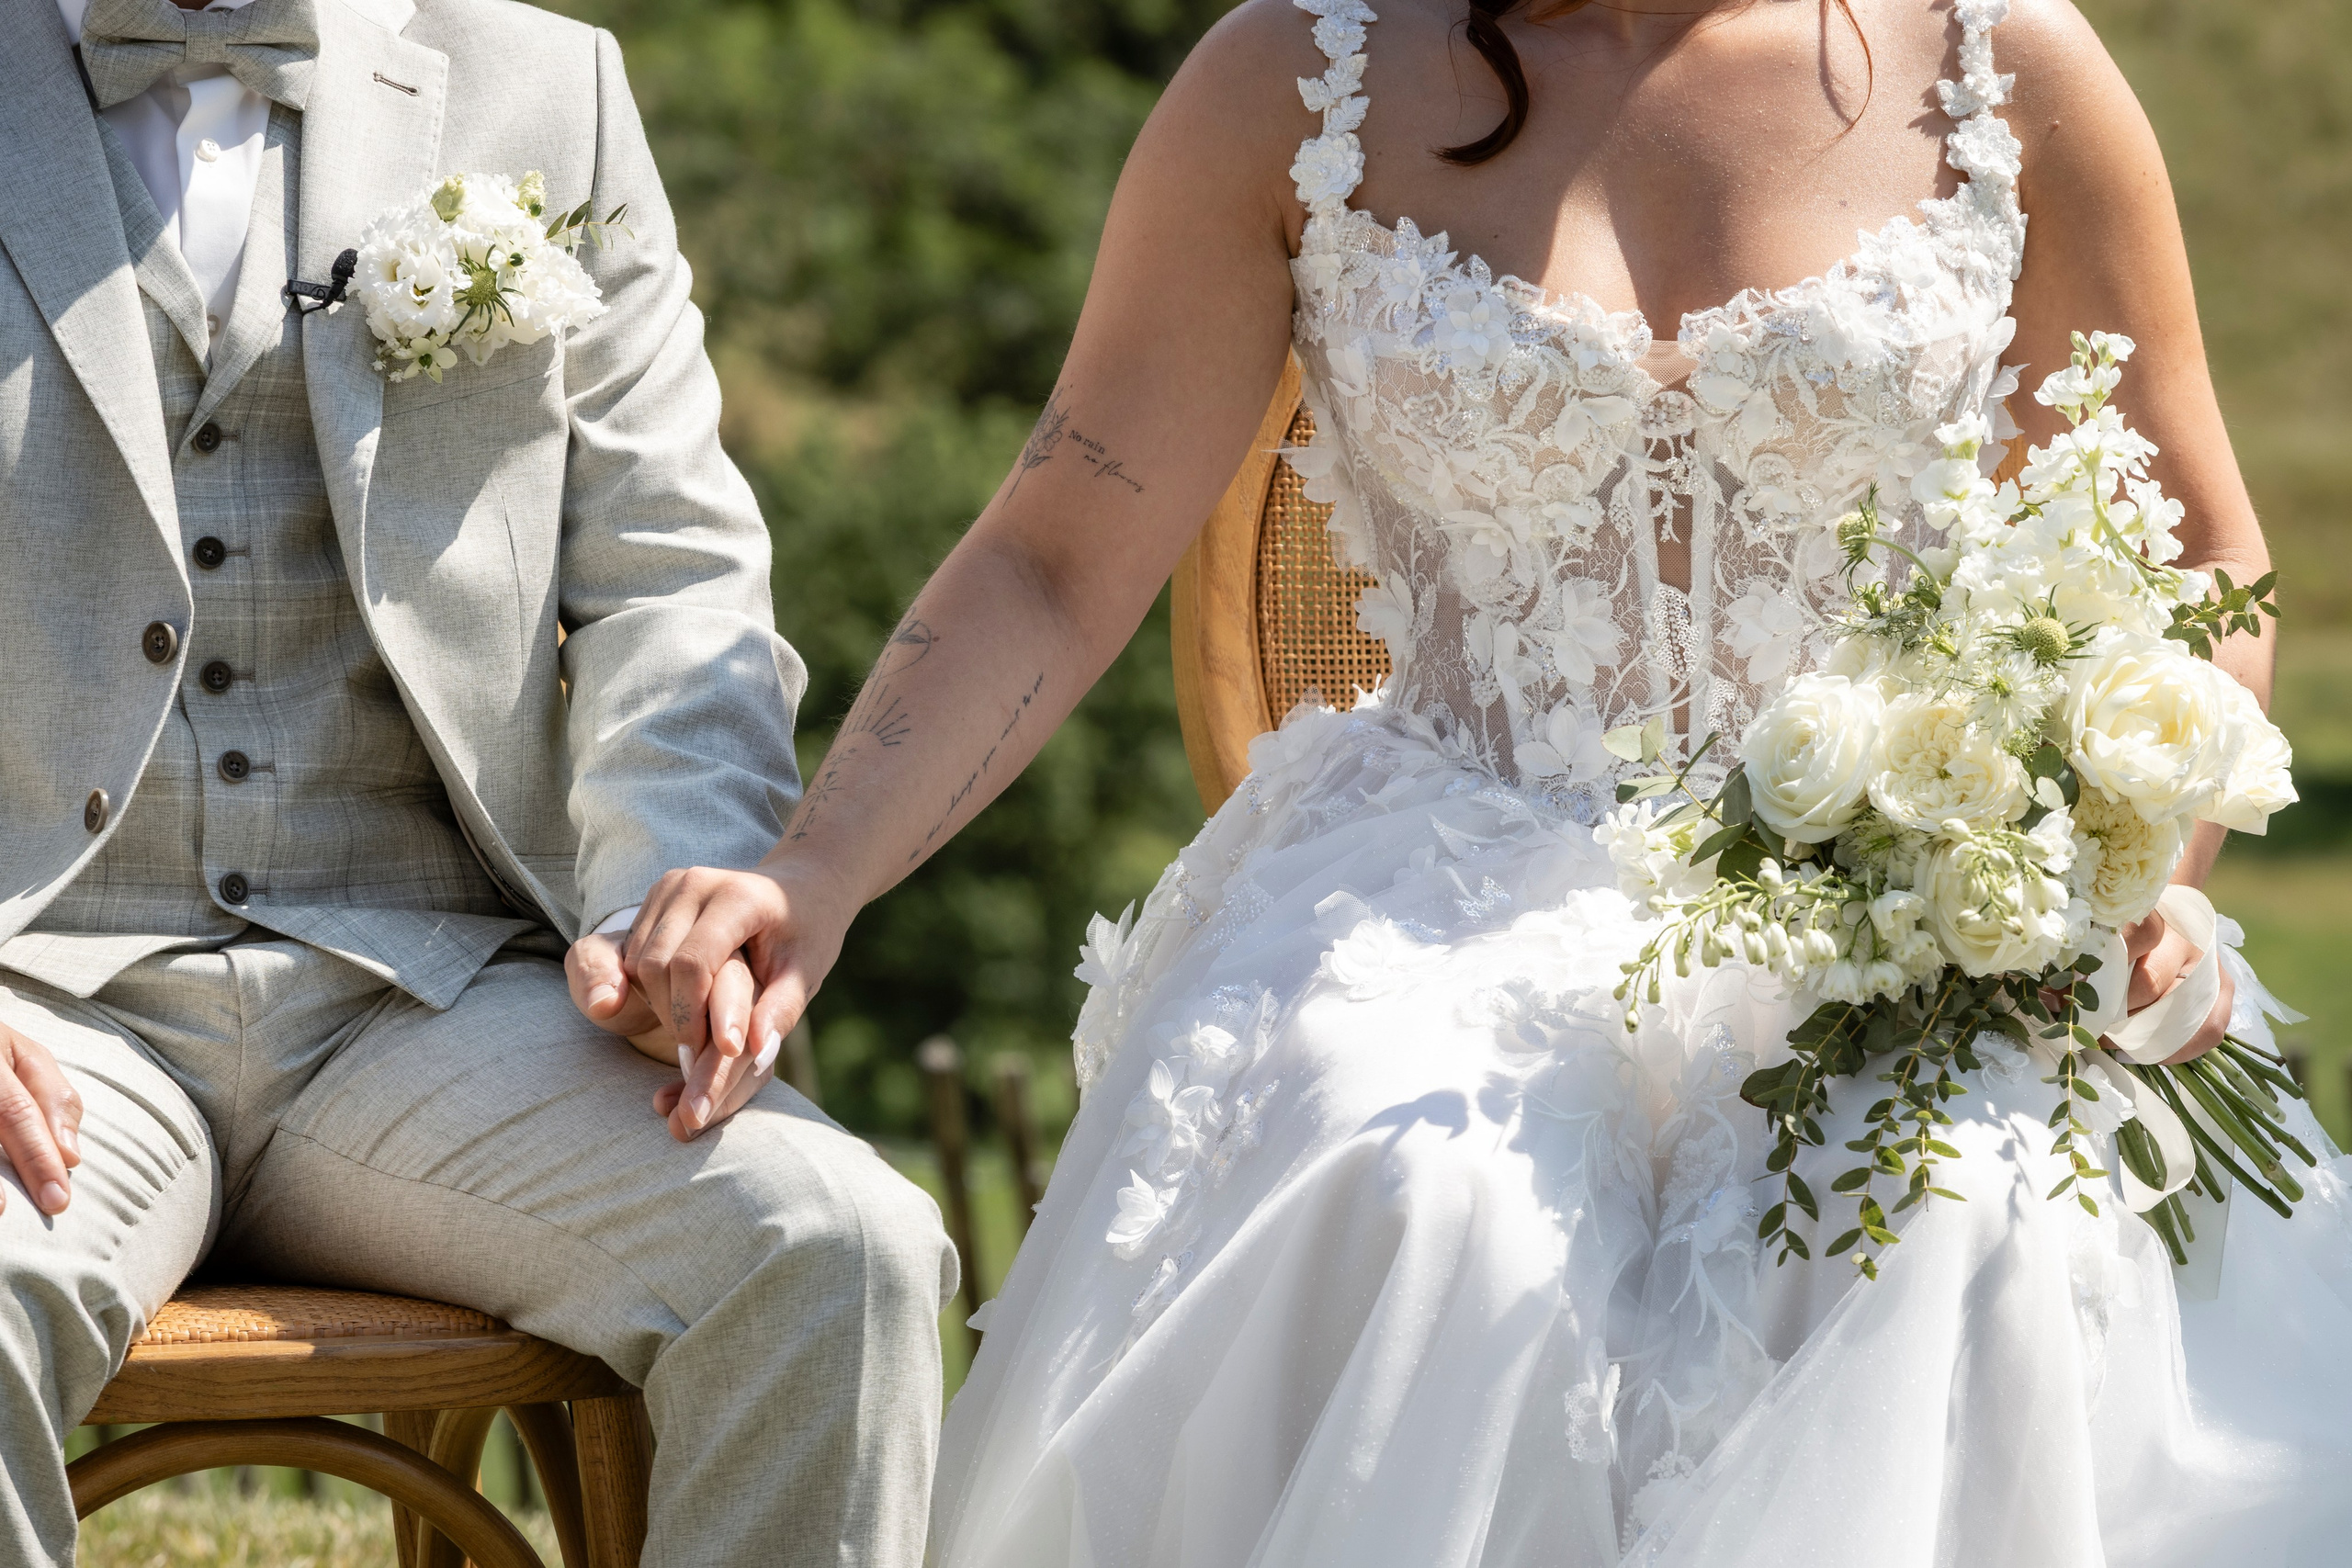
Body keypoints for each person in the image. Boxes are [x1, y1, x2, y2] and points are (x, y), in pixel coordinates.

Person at [623, 0, 2352, 1561]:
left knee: (1954, 1213)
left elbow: (2196, 551)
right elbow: (1062, 550)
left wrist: (2141, 865)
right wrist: (823, 863)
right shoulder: (1296, 80)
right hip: (1441, 876)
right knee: (1421, 1199)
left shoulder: (2003, 62)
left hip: (1918, 889)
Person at [0, 0, 955, 1562]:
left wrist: (670, 896)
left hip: (435, 997)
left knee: (839, 1246)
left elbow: (673, 577)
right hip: (38, 996)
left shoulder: (547, 86)